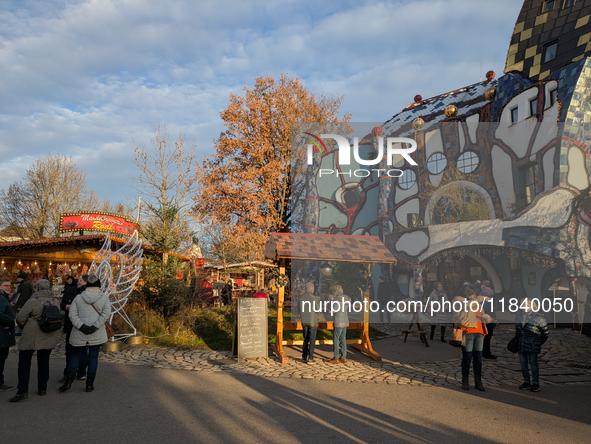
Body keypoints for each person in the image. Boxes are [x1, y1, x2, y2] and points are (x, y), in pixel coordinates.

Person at [9, 279, 60, 402]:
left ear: (36, 288)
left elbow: (21, 318)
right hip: (48, 333)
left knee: (24, 363)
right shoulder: (55, 301)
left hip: (31, 334)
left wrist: (24, 326)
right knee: (44, 362)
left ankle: (22, 391)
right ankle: (42, 388)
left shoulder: (32, 301)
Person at [59, 274, 111, 393]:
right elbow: (106, 314)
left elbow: (72, 314)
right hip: (96, 332)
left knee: (76, 356)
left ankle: (68, 381)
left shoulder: (78, 297)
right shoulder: (104, 298)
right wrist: (95, 326)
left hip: (80, 332)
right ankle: (89, 384)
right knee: (93, 357)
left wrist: (81, 326)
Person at [453, 287, 491, 392]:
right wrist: (479, 298)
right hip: (467, 331)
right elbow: (467, 306)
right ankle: (465, 380)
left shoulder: (477, 303)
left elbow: (482, 314)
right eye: (472, 295)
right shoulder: (459, 300)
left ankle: (478, 381)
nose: (474, 296)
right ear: (467, 295)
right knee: (467, 357)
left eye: (475, 294)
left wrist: (487, 318)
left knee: (478, 357)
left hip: (479, 331)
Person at [516, 298, 549, 392]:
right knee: (523, 364)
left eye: (525, 305)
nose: (523, 307)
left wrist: (537, 342)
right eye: (522, 304)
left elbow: (545, 333)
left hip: (532, 345)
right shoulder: (519, 316)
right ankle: (526, 381)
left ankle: (535, 383)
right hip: (521, 344)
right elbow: (517, 330)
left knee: (533, 364)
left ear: (531, 305)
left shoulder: (539, 317)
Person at [58, 275, 88, 383]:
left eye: (80, 280)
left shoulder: (82, 294)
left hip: (75, 324)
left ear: (86, 282)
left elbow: (81, 308)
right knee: (81, 349)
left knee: (72, 350)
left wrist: (70, 307)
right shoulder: (78, 291)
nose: (77, 282)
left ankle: (69, 374)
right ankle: (81, 372)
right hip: (80, 325)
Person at [327, 285, 351, 364]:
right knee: (343, 339)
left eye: (333, 291)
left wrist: (330, 304)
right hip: (345, 320)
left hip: (338, 320)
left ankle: (336, 357)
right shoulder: (347, 298)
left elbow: (334, 309)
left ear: (336, 291)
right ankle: (343, 357)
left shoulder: (337, 299)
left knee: (336, 339)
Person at [0, 278, 16, 392]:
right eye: (5, 285)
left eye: (9, 286)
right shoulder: (1, 298)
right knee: (1, 359)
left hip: (3, 334)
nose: (8, 287)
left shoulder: (4, 298)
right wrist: (10, 321)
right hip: (2, 335)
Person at [299, 282, 320, 364]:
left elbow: (298, 308)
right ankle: (310, 358)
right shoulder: (314, 298)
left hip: (304, 320)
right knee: (312, 339)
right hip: (312, 321)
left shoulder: (301, 298)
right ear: (312, 290)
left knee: (305, 339)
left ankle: (304, 356)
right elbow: (317, 308)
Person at [479, 280, 497, 359]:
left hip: (483, 321)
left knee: (485, 338)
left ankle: (484, 352)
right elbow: (487, 310)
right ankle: (486, 353)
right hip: (488, 322)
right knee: (487, 338)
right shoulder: (487, 301)